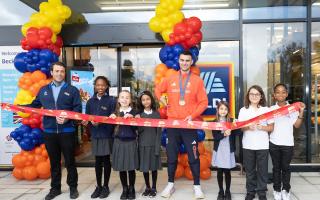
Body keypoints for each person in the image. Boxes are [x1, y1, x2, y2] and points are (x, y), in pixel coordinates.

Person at [24, 62, 81, 200]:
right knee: (54, 162)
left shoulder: (72, 90)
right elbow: (34, 105)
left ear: (64, 73)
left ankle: (73, 188)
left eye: (62, 71)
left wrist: (67, 118)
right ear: (51, 72)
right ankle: (55, 188)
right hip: (49, 132)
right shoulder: (43, 90)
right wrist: (17, 107)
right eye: (57, 71)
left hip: (67, 131)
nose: (59, 73)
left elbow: (78, 110)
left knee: (70, 162)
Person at [155, 50, 208, 199]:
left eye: (187, 60)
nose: (184, 63)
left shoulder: (197, 80)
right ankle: (170, 184)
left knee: (193, 157)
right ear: (179, 61)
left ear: (191, 62)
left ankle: (197, 186)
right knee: (171, 157)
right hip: (172, 125)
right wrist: (161, 100)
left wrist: (192, 115)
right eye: (182, 60)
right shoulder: (171, 77)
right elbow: (158, 89)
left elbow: (204, 102)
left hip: (189, 126)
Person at [82, 76, 116, 199]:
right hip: (95, 135)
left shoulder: (112, 100)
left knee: (106, 161)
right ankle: (98, 186)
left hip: (106, 135)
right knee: (97, 161)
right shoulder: (90, 102)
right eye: (98, 85)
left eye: (103, 85)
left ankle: (106, 186)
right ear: (95, 86)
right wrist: (88, 122)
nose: (100, 87)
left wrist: (102, 122)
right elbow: (87, 117)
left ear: (106, 86)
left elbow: (114, 118)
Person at [238, 85, 274, 200]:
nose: (254, 96)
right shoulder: (243, 110)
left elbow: (271, 128)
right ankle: (250, 191)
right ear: (248, 96)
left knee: (262, 170)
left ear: (261, 96)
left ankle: (262, 192)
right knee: (250, 171)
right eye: (252, 94)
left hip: (262, 145)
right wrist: (248, 127)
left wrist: (261, 127)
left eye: (257, 94)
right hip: (248, 145)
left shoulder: (266, 110)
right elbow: (240, 128)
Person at [269, 83, 305, 200]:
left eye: (283, 92)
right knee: (276, 168)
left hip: (288, 144)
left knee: (285, 167)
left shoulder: (292, 109)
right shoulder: (271, 110)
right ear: (274, 95)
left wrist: (301, 111)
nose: (280, 94)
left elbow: (297, 125)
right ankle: (276, 190)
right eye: (278, 92)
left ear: (286, 94)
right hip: (274, 143)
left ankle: (286, 190)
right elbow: (269, 126)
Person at [110, 90, 138, 200]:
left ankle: (132, 188)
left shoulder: (135, 112)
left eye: (127, 97)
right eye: (122, 97)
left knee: (131, 168)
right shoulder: (115, 113)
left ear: (130, 100)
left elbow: (137, 129)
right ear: (118, 99)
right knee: (122, 168)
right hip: (118, 142)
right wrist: (111, 118)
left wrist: (133, 119)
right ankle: (124, 189)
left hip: (130, 142)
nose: (125, 99)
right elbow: (111, 129)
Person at [136, 91, 162, 198]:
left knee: (154, 168)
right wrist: (138, 121)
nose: (146, 101)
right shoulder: (139, 115)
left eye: (148, 99)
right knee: (145, 168)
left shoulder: (156, 114)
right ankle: (147, 187)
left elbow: (159, 132)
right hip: (143, 145)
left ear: (151, 100)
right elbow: (138, 131)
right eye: (143, 100)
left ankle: (154, 187)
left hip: (153, 145)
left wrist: (157, 147)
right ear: (141, 102)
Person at [212, 101, 239, 200]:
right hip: (219, 150)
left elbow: (238, 133)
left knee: (227, 172)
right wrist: (224, 134)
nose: (223, 111)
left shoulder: (231, 121)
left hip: (228, 150)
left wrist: (237, 125)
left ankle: (228, 191)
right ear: (218, 110)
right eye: (221, 109)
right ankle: (221, 191)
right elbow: (215, 137)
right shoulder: (214, 122)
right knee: (219, 171)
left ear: (228, 111)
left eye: (225, 109)